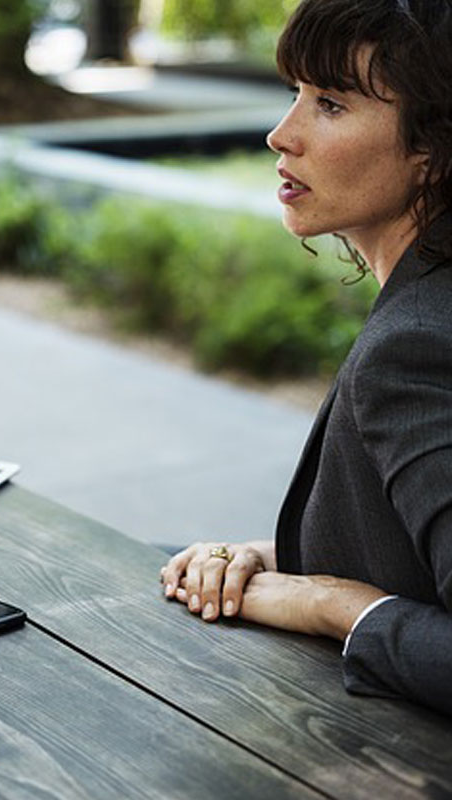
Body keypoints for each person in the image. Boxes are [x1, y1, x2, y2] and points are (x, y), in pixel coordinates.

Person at [160, 0, 452, 717]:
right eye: (294, 95)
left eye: (329, 103)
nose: (280, 135)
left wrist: (331, 604)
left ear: (434, 147)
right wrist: (275, 556)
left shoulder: (413, 350)